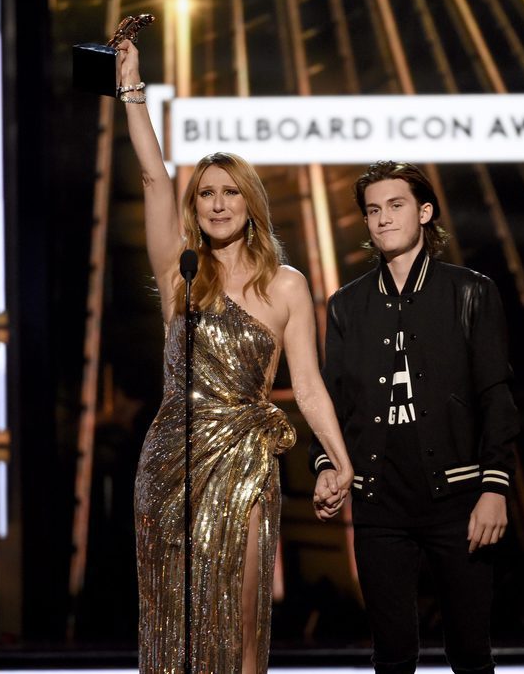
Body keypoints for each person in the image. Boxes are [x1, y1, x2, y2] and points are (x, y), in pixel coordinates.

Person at [116, 40, 353, 674]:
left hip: (245, 461)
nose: (217, 203)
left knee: (241, 614)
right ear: (194, 206)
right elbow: (148, 174)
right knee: (175, 621)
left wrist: (339, 459)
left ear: (251, 203)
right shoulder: (180, 273)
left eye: (230, 192)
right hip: (170, 461)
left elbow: (307, 387)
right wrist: (132, 88)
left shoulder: (286, 285)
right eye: (205, 194)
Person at [309, 162, 520, 674]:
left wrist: (495, 487)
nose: (382, 219)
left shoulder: (470, 291)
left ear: (425, 212)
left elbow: (497, 396)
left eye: (395, 205)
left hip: (459, 499)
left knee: (470, 653)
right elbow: (332, 402)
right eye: (373, 210)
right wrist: (325, 466)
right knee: (392, 656)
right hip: (381, 502)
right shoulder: (346, 306)